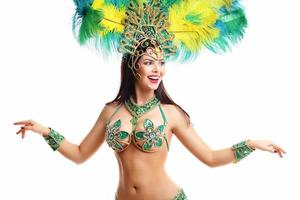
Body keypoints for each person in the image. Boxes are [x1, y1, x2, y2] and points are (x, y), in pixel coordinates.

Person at [13, 0, 286, 200]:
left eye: (161, 63)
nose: (158, 69)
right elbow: (80, 155)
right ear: (133, 66)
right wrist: (45, 131)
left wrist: (251, 144)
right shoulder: (110, 111)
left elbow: (211, 158)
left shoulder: (171, 115)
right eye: (149, 62)